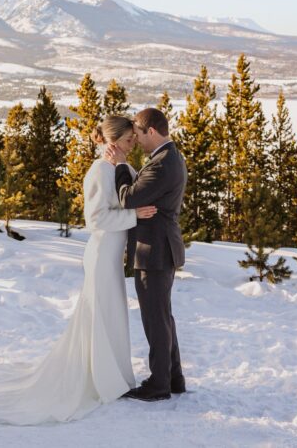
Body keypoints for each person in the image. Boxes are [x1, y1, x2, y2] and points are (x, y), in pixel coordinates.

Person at [0, 115, 157, 424]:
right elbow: (96, 220)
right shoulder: (100, 170)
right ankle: (102, 379)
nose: (133, 145)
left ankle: (112, 375)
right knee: (101, 313)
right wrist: (134, 217)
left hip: (113, 254)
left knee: (110, 313)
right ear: (113, 142)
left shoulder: (117, 168)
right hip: (101, 254)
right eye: (128, 141)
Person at [105, 107, 187, 401]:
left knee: (155, 318)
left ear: (151, 131)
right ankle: (173, 378)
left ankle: (159, 384)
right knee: (163, 316)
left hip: (154, 250)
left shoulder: (162, 164)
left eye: (138, 134)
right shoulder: (170, 158)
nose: (136, 140)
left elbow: (128, 198)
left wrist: (120, 166)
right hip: (162, 248)